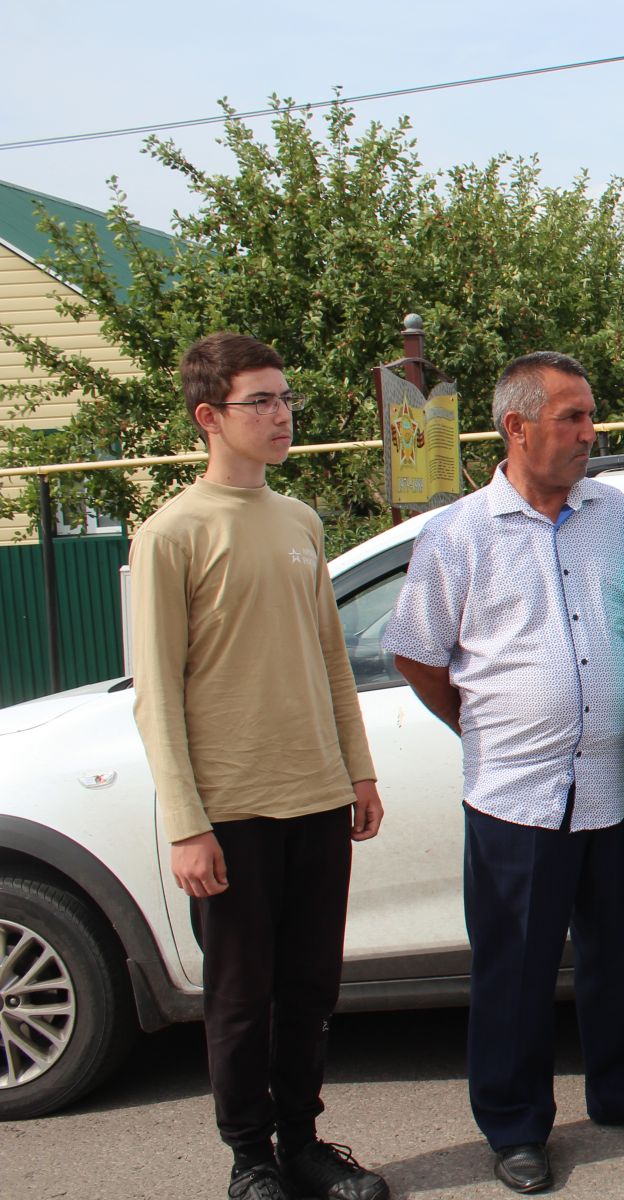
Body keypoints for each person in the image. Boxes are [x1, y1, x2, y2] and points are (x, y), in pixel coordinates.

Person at [383, 351, 624, 1196]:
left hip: (605, 783)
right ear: (516, 427)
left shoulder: (618, 519)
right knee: (515, 970)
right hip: (512, 793)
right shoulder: (457, 534)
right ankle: (516, 1127)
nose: (590, 434)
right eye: (573, 418)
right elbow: (416, 654)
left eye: (591, 416)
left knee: (616, 954)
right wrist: (478, 719)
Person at [129, 332, 389, 1200]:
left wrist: (358, 771)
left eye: (285, 400)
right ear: (210, 417)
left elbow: (330, 659)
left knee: (310, 989)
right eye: (261, 402)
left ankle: (304, 1145)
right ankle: (250, 1160)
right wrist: (186, 822)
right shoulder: (170, 534)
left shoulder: (300, 520)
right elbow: (155, 694)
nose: (281, 416)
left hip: (317, 797)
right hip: (231, 811)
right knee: (240, 999)